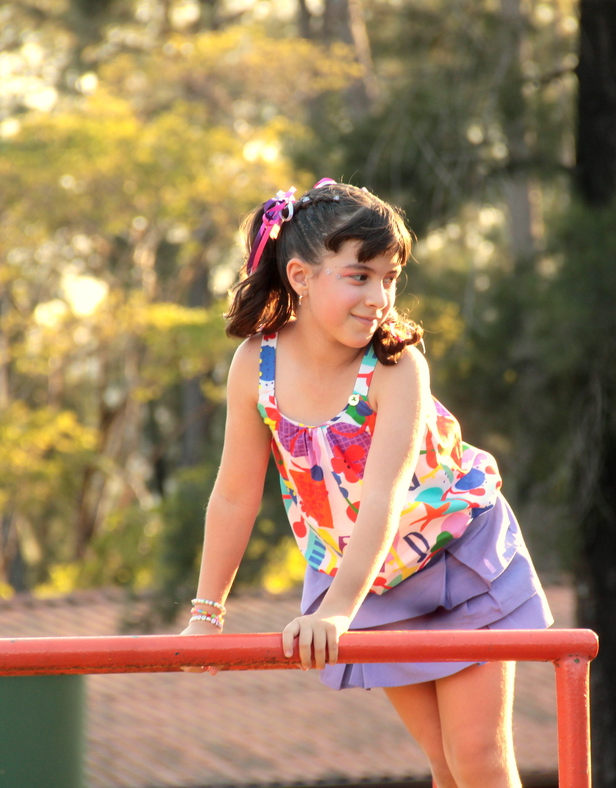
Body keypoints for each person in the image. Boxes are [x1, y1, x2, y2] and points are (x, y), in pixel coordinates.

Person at [181, 178, 553, 788]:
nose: (380, 296)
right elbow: (234, 494)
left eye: (390, 277)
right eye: (360, 276)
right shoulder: (256, 365)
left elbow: (384, 494)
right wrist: (207, 613)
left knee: (478, 759)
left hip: (455, 552)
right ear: (300, 276)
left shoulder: (394, 363)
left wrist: (335, 613)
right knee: (444, 764)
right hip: (367, 575)